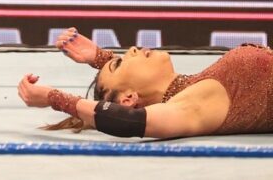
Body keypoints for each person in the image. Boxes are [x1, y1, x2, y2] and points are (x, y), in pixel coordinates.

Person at [18, 26, 273, 137]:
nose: (130, 49)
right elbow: (128, 120)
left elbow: (123, 97)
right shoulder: (191, 105)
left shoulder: (197, 86)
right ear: (129, 98)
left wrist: (101, 58)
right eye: (118, 63)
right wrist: (55, 98)